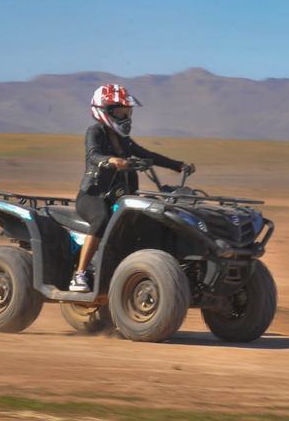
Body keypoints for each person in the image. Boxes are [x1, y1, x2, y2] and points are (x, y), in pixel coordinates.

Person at [70, 84, 195, 292]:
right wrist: (112, 160)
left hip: (118, 198)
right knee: (101, 219)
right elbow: (93, 155)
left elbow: (148, 155)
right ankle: (79, 275)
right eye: (120, 112)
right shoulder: (95, 132)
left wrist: (179, 166)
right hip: (93, 196)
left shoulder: (124, 141)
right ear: (104, 111)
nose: (125, 117)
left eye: (127, 112)